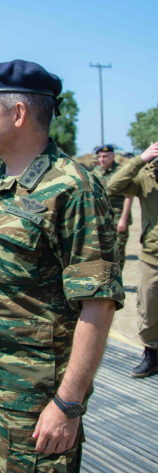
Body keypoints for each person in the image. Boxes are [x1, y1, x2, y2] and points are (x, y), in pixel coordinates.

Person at [0, 59, 124, 473]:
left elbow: (98, 303)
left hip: (36, 401)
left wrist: (68, 403)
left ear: (19, 114)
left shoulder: (74, 189)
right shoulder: (4, 179)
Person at [107, 141, 158, 378]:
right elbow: (113, 185)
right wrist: (140, 159)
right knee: (149, 308)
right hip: (152, 256)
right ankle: (152, 355)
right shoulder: (146, 178)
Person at [92, 144, 133, 270]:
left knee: (118, 249)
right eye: (99, 156)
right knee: (102, 251)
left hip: (118, 217)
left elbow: (129, 196)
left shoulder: (121, 172)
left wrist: (123, 219)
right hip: (101, 218)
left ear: (113, 156)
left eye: (105, 156)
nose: (102, 159)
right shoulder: (95, 172)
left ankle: (118, 277)